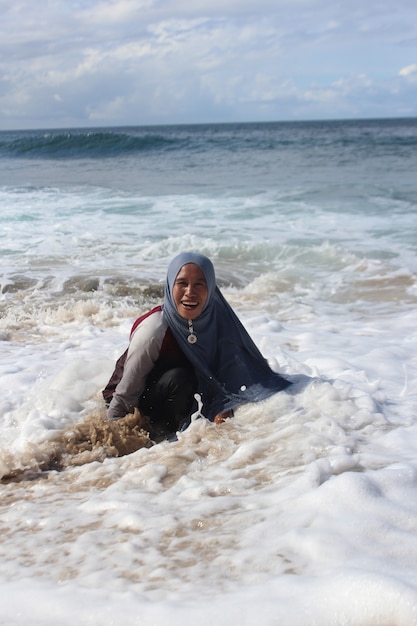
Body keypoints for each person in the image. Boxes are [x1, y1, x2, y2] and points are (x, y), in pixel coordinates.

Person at [103, 252, 291, 441]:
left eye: (199, 284)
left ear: (210, 288)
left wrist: (224, 408)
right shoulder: (154, 329)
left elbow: (230, 366)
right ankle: (165, 442)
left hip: (182, 393)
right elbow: (127, 392)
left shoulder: (217, 318)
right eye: (182, 283)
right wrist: (115, 436)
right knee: (180, 379)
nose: (190, 292)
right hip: (138, 397)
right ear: (170, 285)